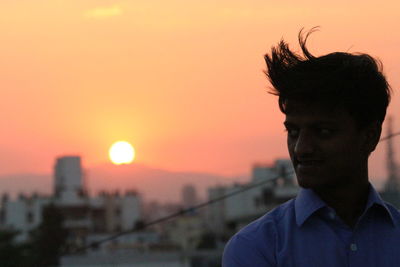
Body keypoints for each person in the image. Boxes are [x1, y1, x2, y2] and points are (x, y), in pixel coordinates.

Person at [222, 28, 400, 266]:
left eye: (323, 132)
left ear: (370, 136)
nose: (301, 149)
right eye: (293, 132)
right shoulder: (257, 247)